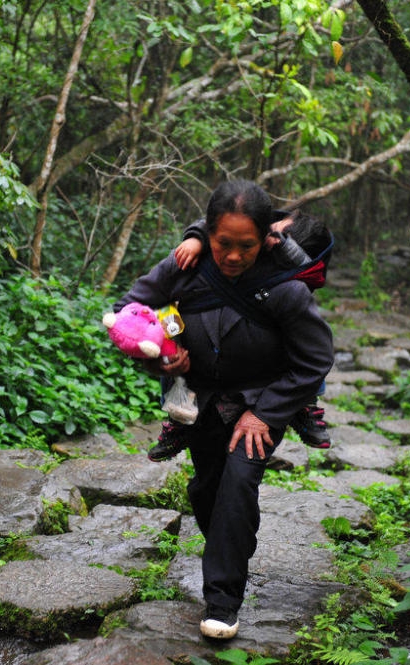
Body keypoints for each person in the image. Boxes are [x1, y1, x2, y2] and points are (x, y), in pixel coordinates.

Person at [114, 180, 333, 639]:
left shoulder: (285, 289)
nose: (233, 256)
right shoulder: (185, 266)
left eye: (246, 246)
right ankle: (230, 549)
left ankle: (222, 602)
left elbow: (314, 358)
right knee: (208, 492)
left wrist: (268, 414)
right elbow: (128, 311)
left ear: (266, 238)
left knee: (238, 484)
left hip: (258, 403)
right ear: (207, 234)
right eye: (223, 244)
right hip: (201, 400)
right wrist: (162, 354)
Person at [146, 209, 332, 463]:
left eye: (275, 229)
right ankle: (178, 418)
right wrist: (195, 239)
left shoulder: (290, 263)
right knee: (174, 343)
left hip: (268, 322)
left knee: (303, 340)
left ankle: (306, 405)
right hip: (185, 313)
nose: (267, 230)